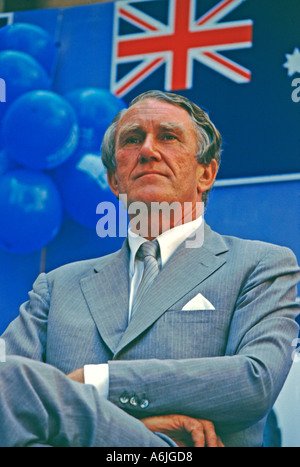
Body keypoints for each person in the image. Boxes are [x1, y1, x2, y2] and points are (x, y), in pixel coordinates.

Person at [0, 90, 299, 447]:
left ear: (206, 173)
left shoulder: (261, 265)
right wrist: (146, 423)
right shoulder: (57, 286)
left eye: (168, 137)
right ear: (113, 180)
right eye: (133, 139)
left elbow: (254, 381)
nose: (147, 150)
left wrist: (101, 381)